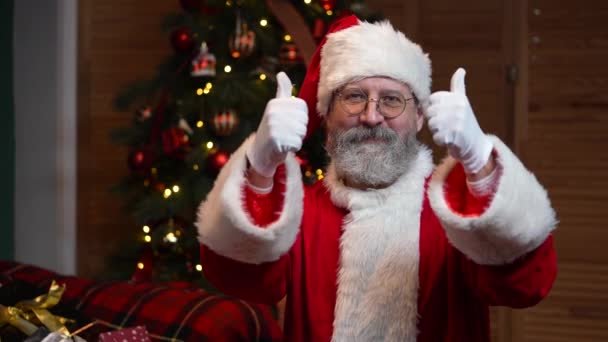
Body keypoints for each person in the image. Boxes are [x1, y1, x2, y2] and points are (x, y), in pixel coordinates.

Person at [196, 15, 557, 342]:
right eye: (354, 97)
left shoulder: (459, 211)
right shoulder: (300, 211)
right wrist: (259, 168)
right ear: (326, 114)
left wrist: (481, 163)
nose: (371, 116)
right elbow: (236, 277)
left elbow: (527, 287)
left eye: (391, 100)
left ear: (418, 117)